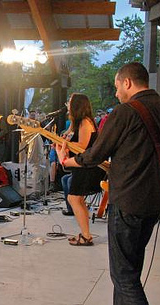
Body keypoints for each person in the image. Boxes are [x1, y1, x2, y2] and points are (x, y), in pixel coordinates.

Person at [56, 62, 160, 304]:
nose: (116, 93)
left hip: (127, 200)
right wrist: (157, 159)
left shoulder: (124, 112)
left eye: (116, 86)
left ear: (127, 83)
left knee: (123, 277)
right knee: (131, 269)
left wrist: (67, 161)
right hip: (155, 199)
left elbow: (95, 155)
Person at [59, 93, 106, 246]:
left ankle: (86, 236)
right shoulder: (77, 123)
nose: (67, 104)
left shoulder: (85, 122)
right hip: (82, 166)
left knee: (73, 198)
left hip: (88, 167)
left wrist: (64, 146)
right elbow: (70, 139)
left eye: (70, 102)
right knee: (77, 199)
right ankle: (86, 234)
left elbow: (82, 146)